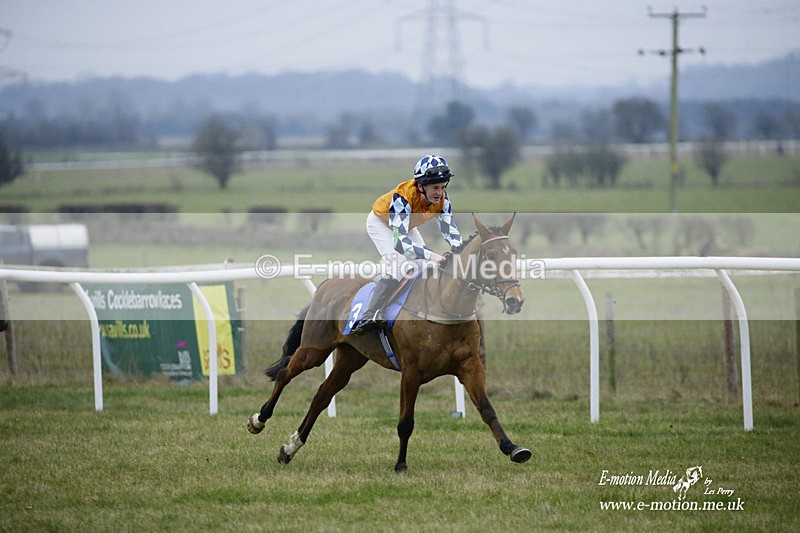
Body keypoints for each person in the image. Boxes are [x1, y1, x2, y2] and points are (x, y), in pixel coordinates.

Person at [349, 154, 463, 334]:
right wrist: (433, 255)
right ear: (420, 186)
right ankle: (369, 315)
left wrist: (461, 252)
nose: (439, 193)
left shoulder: (443, 200)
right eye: (435, 187)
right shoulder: (402, 198)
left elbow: (450, 231)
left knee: (424, 266)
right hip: (381, 223)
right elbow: (400, 243)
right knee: (399, 265)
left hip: (406, 225)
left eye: (442, 187)